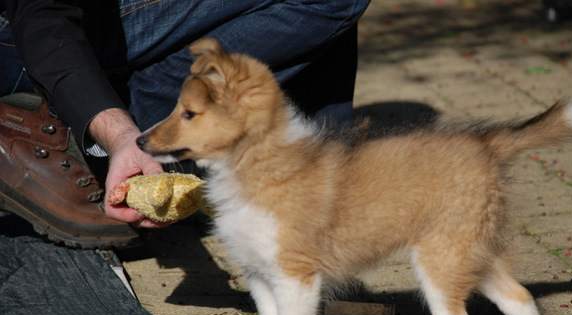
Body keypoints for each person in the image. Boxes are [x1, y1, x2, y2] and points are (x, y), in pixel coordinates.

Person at [0, 0, 370, 248]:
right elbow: (41, 17)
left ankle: (310, 198)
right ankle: (110, 131)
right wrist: (120, 131)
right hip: (27, 40)